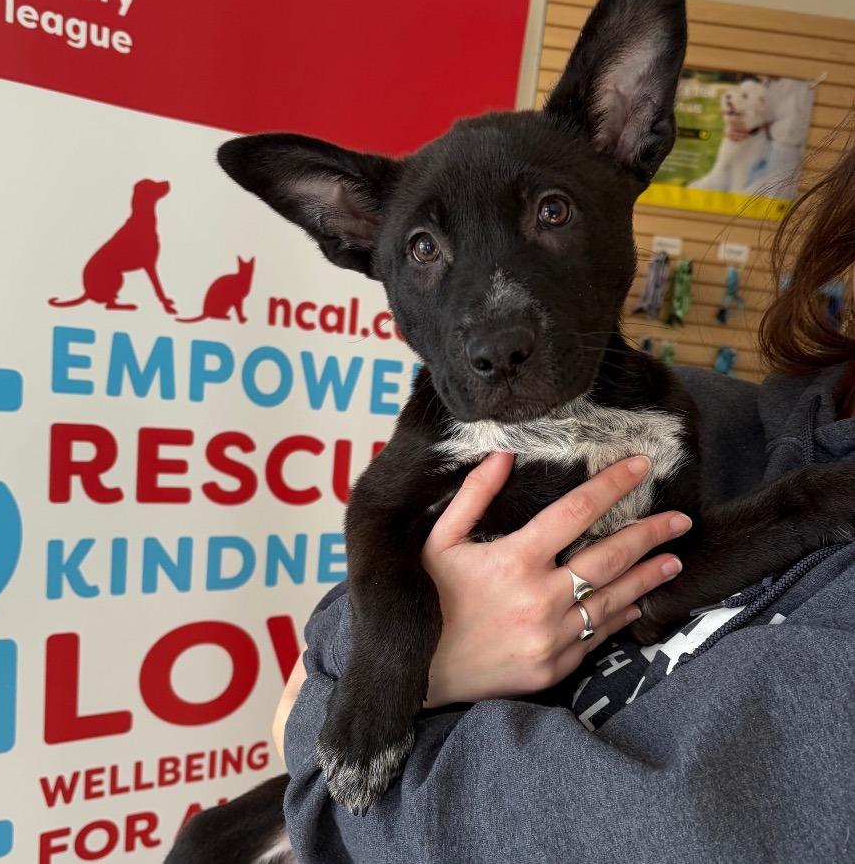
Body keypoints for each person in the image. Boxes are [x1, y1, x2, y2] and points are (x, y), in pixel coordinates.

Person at [274, 139, 855, 863]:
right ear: (358, 236)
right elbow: (378, 517)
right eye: (423, 247)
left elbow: (663, 578)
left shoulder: (672, 413)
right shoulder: (740, 412)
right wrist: (392, 657)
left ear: (629, 140)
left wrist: (814, 504)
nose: (493, 331)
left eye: (553, 212)